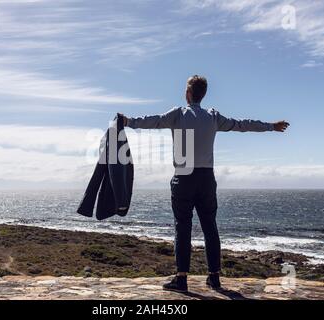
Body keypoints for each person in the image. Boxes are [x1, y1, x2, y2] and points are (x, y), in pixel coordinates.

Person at [120, 75, 289, 293]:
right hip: (207, 179)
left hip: (183, 178)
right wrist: (270, 126)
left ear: (188, 93)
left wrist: (128, 121)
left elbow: (152, 121)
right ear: (203, 94)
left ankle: (181, 279)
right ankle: (214, 278)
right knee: (210, 227)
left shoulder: (178, 114)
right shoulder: (213, 116)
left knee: (183, 227)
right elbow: (242, 125)